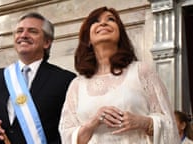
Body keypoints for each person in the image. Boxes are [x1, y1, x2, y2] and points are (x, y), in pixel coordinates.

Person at [59, 6, 180, 144]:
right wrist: (94, 122)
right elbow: (67, 136)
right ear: (88, 39)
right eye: (96, 21)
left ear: (120, 35)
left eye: (111, 19)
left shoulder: (141, 71)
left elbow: (169, 124)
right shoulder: (77, 85)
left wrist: (143, 122)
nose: (103, 23)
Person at [0, 12, 76, 144]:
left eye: (32, 31)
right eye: (19, 31)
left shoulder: (65, 79)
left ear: (47, 42)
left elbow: (68, 128)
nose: (23, 35)